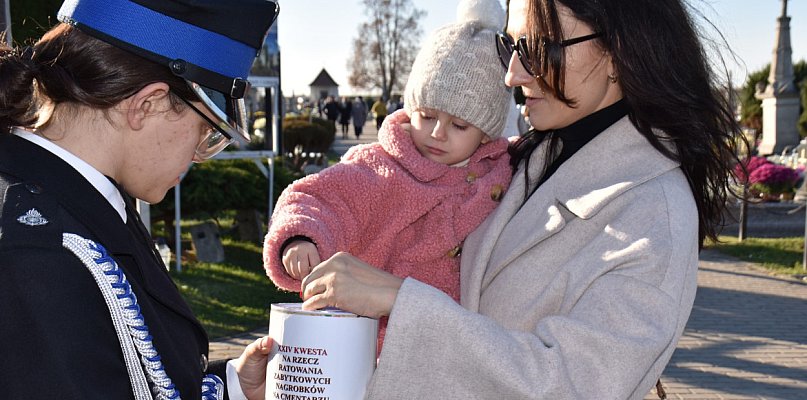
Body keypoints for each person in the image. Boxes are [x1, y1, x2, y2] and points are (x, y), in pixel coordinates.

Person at [291, 0, 745, 398]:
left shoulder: (653, 213)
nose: (513, 74)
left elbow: (572, 386)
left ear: (617, 52)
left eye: (537, 48)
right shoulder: (522, 156)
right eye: (510, 47)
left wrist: (401, 301)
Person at [0, 0, 280, 398]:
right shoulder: (39, 252)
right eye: (205, 130)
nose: (198, 155)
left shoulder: (77, 201)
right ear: (147, 105)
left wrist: (231, 386)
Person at [263, 0, 513, 352]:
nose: (438, 133)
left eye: (459, 125)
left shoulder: (502, 176)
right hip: (369, 354)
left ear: (487, 133)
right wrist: (300, 237)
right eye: (426, 116)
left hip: (455, 356)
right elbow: (317, 197)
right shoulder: (379, 168)